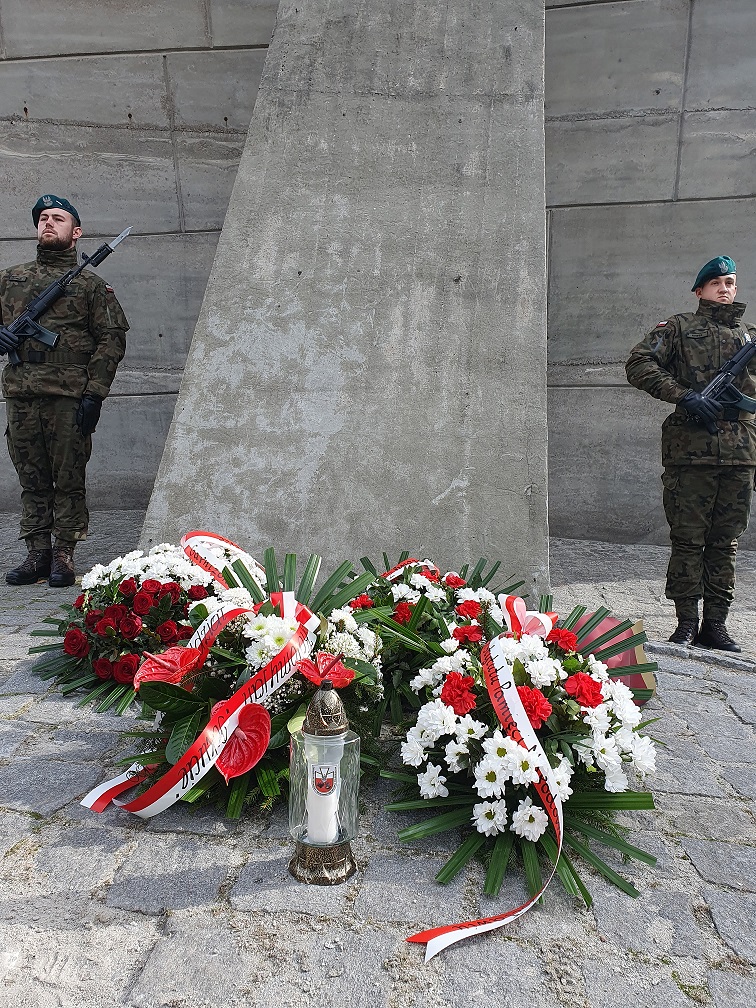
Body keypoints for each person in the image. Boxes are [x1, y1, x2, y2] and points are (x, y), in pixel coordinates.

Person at [626, 256, 756, 653]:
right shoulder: (679, 327)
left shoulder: (750, 335)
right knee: (687, 539)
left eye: (730, 282)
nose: (724, 288)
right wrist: (686, 396)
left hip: (740, 451)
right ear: (699, 290)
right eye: (715, 282)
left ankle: (716, 625)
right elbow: (638, 363)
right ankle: (686, 623)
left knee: (726, 542)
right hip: (691, 451)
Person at [0, 195, 128, 587]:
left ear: (76, 232)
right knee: (31, 477)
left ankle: (63, 554)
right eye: (42, 218)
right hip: (21, 393)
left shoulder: (91, 285)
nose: (48, 223)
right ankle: (36, 552)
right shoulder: (10, 279)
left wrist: (95, 394)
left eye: (58, 218)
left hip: (67, 396)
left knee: (68, 478)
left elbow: (111, 339)